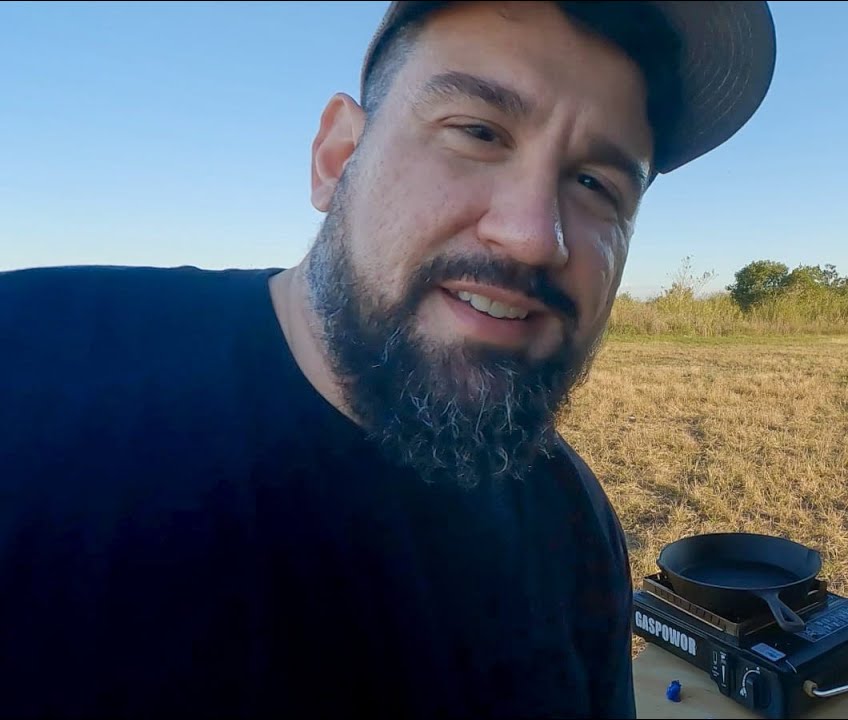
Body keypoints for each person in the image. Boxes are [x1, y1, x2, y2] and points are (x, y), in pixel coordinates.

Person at [0, 1, 775, 717]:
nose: (534, 237)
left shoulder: (570, 520)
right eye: (479, 132)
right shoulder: (27, 362)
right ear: (338, 156)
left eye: (594, 184)